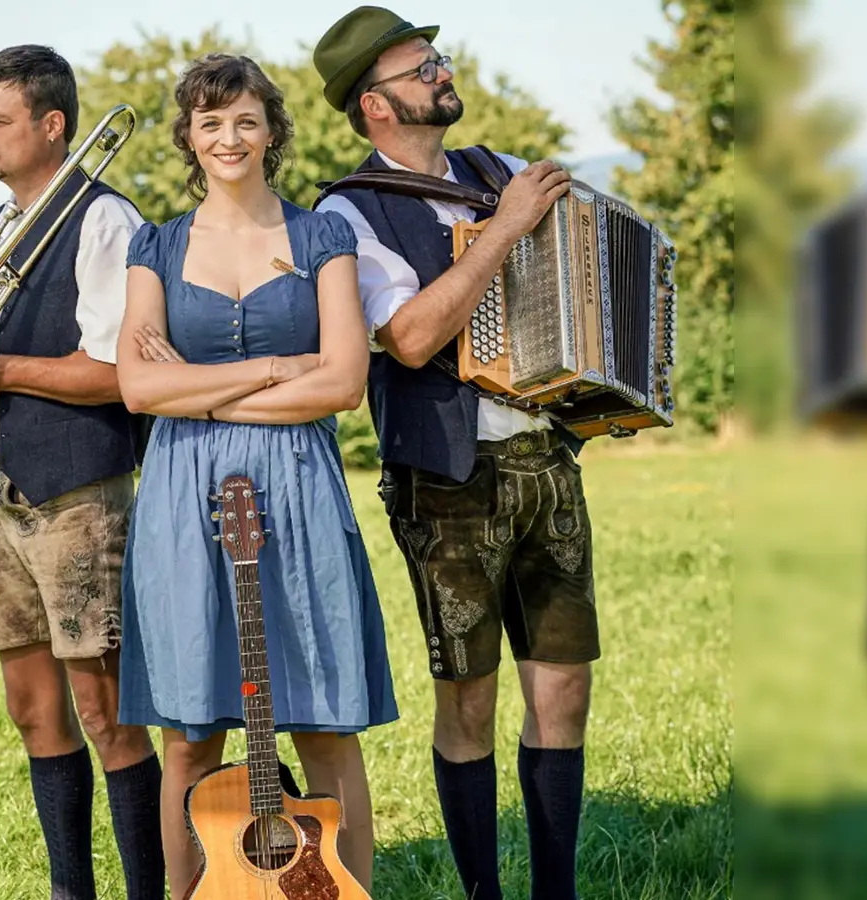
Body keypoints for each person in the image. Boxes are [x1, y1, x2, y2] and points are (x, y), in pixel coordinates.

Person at [310, 7, 587, 900]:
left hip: (547, 457)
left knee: (563, 690)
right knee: (469, 697)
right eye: (421, 67)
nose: (442, 73)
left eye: (437, 58)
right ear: (375, 104)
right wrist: (505, 228)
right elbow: (411, 336)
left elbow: (572, 276)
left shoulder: (495, 170)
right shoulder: (348, 211)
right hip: (446, 477)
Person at [113, 52, 397, 895]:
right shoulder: (155, 246)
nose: (228, 137)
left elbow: (342, 384)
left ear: (272, 131)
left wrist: (198, 395)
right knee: (189, 736)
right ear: (188, 138)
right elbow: (139, 388)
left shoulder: (323, 237)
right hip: (182, 499)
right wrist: (276, 369)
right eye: (210, 123)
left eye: (245, 119)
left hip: (299, 490)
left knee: (324, 726)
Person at [0, 45, 163, 900]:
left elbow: (121, 372)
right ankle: (69, 891)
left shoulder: (103, 220)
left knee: (105, 714)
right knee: (33, 711)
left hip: (75, 495)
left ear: (51, 125)